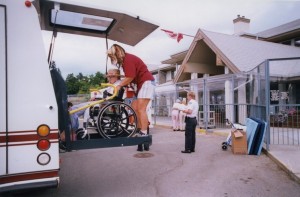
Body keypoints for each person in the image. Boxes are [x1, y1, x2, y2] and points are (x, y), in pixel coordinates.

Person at [107, 44, 155, 137]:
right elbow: (130, 77)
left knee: (141, 109)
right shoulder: (126, 61)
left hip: (146, 82)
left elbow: (130, 76)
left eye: (113, 57)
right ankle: (139, 129)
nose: (112, 59)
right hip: (141, 83)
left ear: (117, 54)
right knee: (135, 107)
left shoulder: (127, 59)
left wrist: (120, 85)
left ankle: (144, 132)